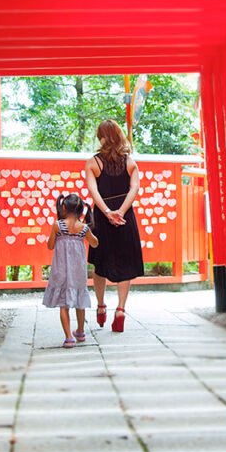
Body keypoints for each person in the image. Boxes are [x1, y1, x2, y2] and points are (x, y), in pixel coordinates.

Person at [85, 119, 144, 332]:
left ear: (101, 137)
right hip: (125, 217)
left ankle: (101, 306)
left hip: (102, 218)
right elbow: (134, 189)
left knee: (99, 264)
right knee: (125, 263)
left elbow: (93, 191)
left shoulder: (93, 163)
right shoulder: (130, 162)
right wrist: (121, 211)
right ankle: (120, 310)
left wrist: (107, 212)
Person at [42, 193, 99, 348]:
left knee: (63, 303)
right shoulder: (84, 228)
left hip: (61, 271)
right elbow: (95, 243)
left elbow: (50, 245)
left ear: (64, 207)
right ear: (81, 210)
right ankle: (80, 331)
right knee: (80, 300)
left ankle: (68, 337)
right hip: (78, 272)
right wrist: (88, 231)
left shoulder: (58, 225)